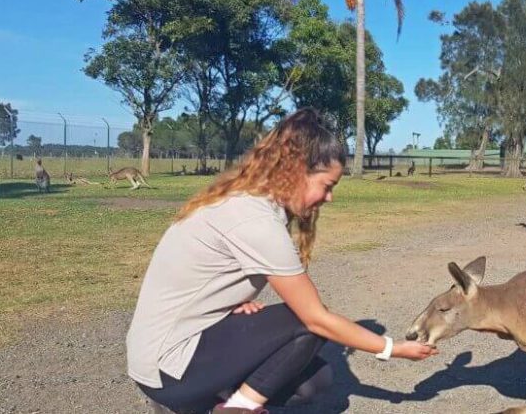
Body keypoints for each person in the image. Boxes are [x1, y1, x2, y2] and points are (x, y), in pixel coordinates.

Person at [126, 108, 437, 414]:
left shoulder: (249, 202)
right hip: (166, 368)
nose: (329, 198)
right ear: (295, 170)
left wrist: (228, 304)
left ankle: (207, 401)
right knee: (308, 322)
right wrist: (392, 348)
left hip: (179, 351)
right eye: (327, 186)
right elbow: (315, 319)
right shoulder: (254, 218)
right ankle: (235, 408)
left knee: (314, 381)